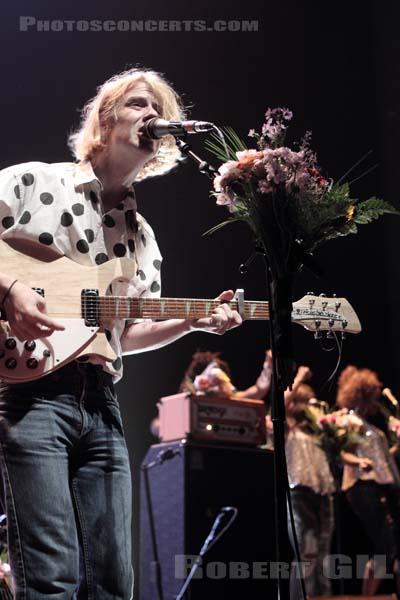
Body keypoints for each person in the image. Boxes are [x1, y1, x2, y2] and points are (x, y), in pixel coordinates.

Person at [0, 68, 242, 599]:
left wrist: (192, 319)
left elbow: (125, 334)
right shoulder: (33, 181)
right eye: (138, 105)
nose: (152, 117)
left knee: (114, 581)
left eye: (160, 111)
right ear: (107, 119)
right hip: (31, 395)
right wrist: (9, 287)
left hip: (102, 402)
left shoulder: (143, 240)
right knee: (52, 579)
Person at [337, 365, 400, 596]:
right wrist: (357, 462)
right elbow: (340, 453)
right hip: (364, 486)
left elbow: (382, 459)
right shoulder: (351, 422)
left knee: (393, 544)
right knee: (385, 544)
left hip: (384, 484)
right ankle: (367, 597)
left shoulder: (371, 427)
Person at [283, 366, 336, 599]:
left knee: (324, 553)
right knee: (307, 552)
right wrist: (298, 379)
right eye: (302, 402)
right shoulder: (287, 429)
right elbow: (279, 406)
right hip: (299, 495)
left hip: (323, 495)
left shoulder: (318, 434)